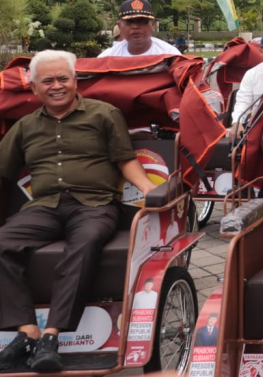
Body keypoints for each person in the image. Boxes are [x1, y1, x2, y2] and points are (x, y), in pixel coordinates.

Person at [0, 50, 157, 372]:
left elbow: (125, 159)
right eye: (48, 81)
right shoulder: (26, 126)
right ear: (34, 87)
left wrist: (149, 189)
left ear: (75, 81)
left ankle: (51, 336)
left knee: (84, 243)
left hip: (94, 205)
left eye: (63, 78)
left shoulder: (104, 114)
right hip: (43, 207)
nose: (56, 86)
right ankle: (27, 331)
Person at [230, 33, 263, 131]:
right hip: (258, 125)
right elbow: (243, 102)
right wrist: (237, 123)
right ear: (261, 51)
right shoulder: (252, 74)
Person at [98, 0, 182, 57]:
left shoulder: (170, 55)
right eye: (129, 22)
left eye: (142, 21)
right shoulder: (108, 57)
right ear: (119, 26)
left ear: (153, 24)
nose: (135, 27)